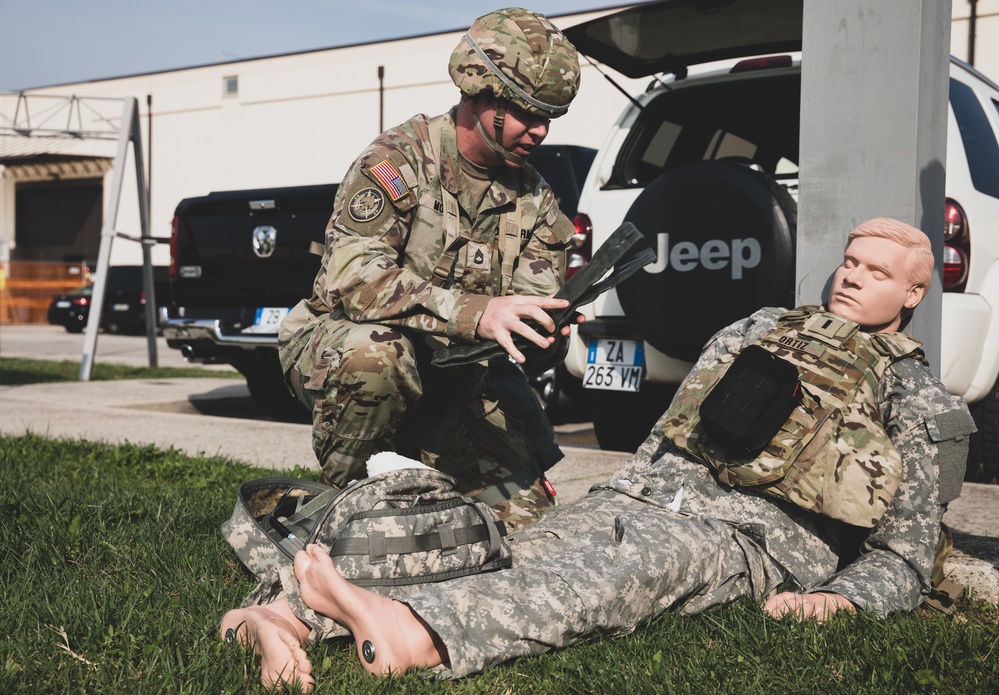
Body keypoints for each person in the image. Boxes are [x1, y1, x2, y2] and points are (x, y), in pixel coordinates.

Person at [221, 217, 975, 690]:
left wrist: (840, 597)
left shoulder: (914, 399)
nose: (850, 276)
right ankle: (282, 615)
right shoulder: (758, 329)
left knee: (606, 584)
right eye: (849, 261)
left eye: (876, 273)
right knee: (504, 551)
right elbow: (672, 430)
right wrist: (622, 490)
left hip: (743, 537)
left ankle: (411, 632)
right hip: (642, 496)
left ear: (912, 295)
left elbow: (904, 553)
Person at [277, 8, 582, 524]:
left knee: (532, 528)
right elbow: (355, 278)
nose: (540, 132)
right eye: (528, 113)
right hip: (349, 350)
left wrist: (548, 338)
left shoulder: (536, 201)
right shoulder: (399, 159)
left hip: (459, 381)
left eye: (548, 118)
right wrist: (476, 313)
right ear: (479, 91)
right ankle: (338, 507)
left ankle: (421, 467)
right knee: (378, 357)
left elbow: (523, 332)